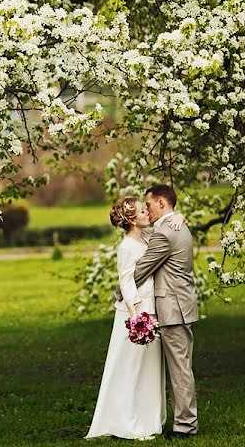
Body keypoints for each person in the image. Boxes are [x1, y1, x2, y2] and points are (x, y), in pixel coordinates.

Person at [86, 196, 183, 441]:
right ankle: (127, 422)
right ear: (131, 219)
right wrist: (136, 318)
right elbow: (126, 281)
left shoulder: (149, 236)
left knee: (151, 371)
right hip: (137, 315)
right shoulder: (126, 247)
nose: (147, 213)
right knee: (132, 369)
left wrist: (180, 217)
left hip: (153, 310)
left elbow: (168, 224)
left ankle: (149, 420)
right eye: (142, 211)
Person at [114, 184, 199, 438]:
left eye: (148, 205)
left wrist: (119, 293)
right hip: (178, 306)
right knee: (180, 367)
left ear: (161, 203)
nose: (146, 210)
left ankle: (185, 427)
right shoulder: (173, 225)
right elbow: (141, 230)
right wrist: (178, 214)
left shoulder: (165, 234)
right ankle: (180, 422)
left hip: (173, 308)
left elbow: (142, 269)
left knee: (180, 370)